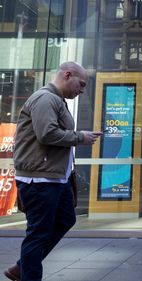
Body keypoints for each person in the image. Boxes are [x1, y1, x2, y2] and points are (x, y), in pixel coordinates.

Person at [5, 62, 102, 281]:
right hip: (40, 180)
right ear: (67, 75)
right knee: (38, 233)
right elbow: (46, 134)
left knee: (65, 219)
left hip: (53, 178)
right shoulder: (46, 99)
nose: (82, 90)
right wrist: (80, 137)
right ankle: (27, 273)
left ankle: (23, 266)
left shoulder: (55, 100)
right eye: (81, 84)